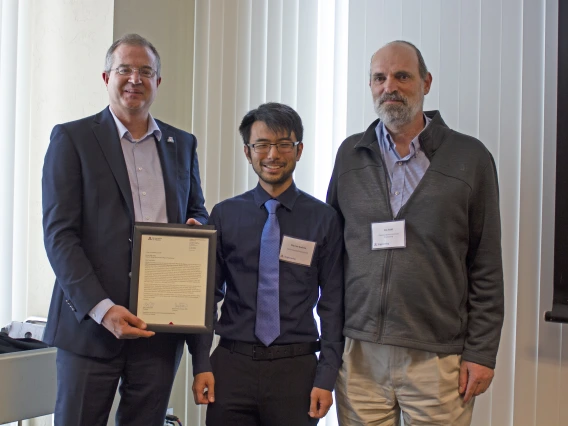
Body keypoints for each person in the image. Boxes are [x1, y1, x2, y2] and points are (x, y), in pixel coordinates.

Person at [327, 40, 504, 425]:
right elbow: (331, 254)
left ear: (426, 82)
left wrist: (481, 352)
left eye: (401, 76)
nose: (389, 86)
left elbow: (486, 264)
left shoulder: (470, 158)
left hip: (437, 357)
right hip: (359, 357)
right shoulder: (349, 156)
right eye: (379, 77)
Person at [42, 33, 208, 426]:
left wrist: (197, 231)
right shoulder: (73, 139)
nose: (135, 79)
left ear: (158, 82)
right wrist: (103, 310)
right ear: (106, 77)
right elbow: (59, 235)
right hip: (90, 328)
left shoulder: (181, 144)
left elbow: (196, 212)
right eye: (125, 70)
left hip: (159, 331)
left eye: (145, 71)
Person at [190, 102, 344, 425]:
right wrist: (201, 362)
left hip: (297, 369)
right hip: (232, 366)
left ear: (299, 150)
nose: (272, 154)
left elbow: (332, 305)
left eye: (283, 144)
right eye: (262, 145)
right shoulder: (225, 215)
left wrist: (326, 375)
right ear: (248, 152)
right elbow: (206, 298)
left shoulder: (324, 220)